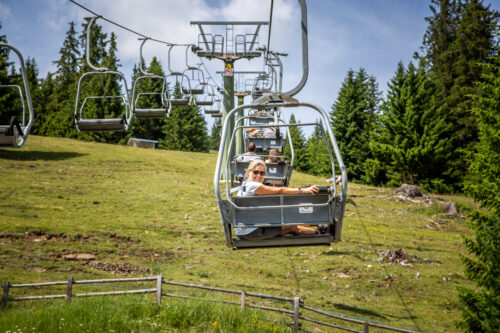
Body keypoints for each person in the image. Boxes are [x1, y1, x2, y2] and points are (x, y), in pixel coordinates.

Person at [235, 159, 320, 240]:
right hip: (250, 232)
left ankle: (318, 225)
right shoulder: (253, 186)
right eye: (256, 172)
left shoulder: (245, 184)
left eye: (262, 173)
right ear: (249, 171)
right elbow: (280, 190)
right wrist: (302, 190)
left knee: (286, 221)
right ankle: (319, 233)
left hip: (248, 227)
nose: (259, 176)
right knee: (290, 227)